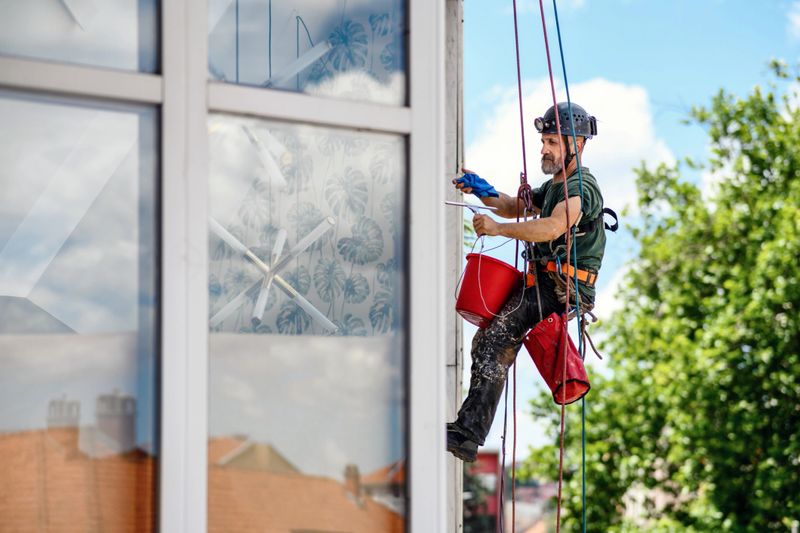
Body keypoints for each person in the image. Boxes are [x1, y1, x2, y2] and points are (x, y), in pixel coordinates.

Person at [447, 102, 612, 462]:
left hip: (561, 289)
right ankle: (466, 431)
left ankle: (466, 434)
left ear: (577, 145)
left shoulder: (581, 188)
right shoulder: (553, 186)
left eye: (553, 141)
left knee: (497, 338)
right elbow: (511, 206)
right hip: (542, 283)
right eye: (543, 141)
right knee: (488, 340)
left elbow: (553, 226)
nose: (544, 149)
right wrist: (481, 190)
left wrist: (498, 230)